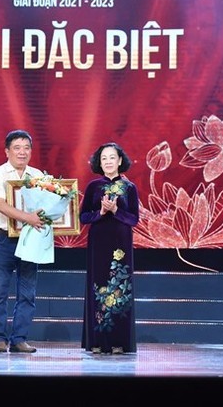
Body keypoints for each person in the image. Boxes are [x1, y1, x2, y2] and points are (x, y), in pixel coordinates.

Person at [0, 129, 46, 354]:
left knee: (27, 293)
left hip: (30, 240)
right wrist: (28, 218)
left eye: (26, 148)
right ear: (7, 151)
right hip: (3, 239)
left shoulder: (37, 175)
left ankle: (19, 338)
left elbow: (46, 205)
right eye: (17, 148)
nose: (22, 152)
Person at [79, 142, 140, 355]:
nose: (108, 162)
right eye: (104, 158)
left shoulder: (130, 188)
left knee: (119, 288)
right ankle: (97, 341)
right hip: (98, 242)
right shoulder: (93, 187)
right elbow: (84, 216)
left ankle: (118, 343)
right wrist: (101, 213)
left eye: (112, 157)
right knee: (98, 286)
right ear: (99, 162)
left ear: (120, 161)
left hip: (121, 243)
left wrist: (115, 210)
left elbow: (134, 219)